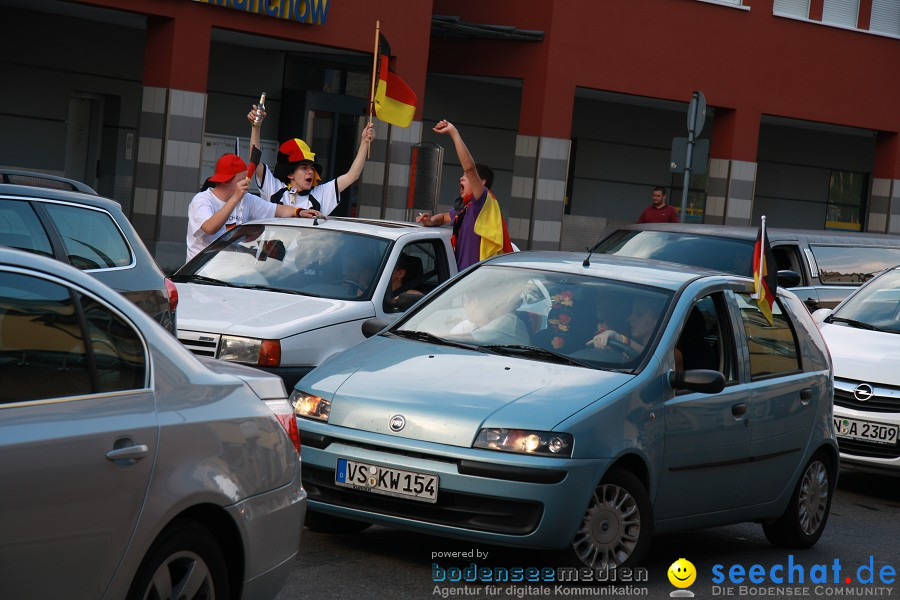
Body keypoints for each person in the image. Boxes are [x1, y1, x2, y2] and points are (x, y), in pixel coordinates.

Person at [185, 153, 322, 262]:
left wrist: (300, 212)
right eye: (242, 179)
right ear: (226, 180)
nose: (247, 182)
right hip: (200, 274)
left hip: (227, 272)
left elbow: (278, 210)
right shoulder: (202, 200)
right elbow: (210, 228)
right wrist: (235, 198)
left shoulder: (246, 199)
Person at [416, 120, 513, 270]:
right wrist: (430, 220)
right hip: (461, 281)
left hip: (478, 282)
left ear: (481, 182)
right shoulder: (465, 208)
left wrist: (454, 133)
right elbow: (443, 218)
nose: (461, 178)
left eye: (465, 177)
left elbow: (469, 167)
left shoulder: (482, 202)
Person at [247, 104, 375, 214]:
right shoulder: (274, 187)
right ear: (290, 174)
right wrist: (255, 127)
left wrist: (364, 142)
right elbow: (255, 160)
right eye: (304, 168)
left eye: (312, 168)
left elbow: (352, 176)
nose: (310, 172)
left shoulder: (320, 194)